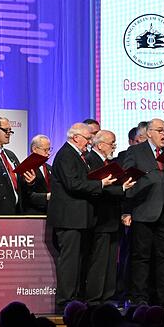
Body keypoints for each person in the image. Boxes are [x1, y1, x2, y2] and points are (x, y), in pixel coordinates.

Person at [47, 123, 117, 311]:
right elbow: (73, 184)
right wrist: (100, 184)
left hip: (79, 219)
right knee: (69, 262)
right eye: (87, 138)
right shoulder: (66, 155)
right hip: (69, 219)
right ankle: (65, 302)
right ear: (75, 137)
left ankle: (74, 299)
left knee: (77, 262)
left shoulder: (77, 155)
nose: (90, 142)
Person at [121, 118, 164, 308]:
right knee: (141, 256)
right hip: (144, 210)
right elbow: (128, 179)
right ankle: (140, 296)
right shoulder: (135, 151)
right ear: (149, 133)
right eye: (160, 130)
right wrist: (127, 210)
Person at [84, 129, 135, 305]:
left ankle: (107, 297)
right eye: (111, 143)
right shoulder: (90, 160)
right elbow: (95, 189)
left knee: (111, 261)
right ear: (100, 145)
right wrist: (122, 188)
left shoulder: (109, 162)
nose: (114, 146)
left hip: (112, 218)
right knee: (99, 261)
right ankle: (95, 299)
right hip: (99, 219)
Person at [24, 134, 53, 215]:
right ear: (34, 149)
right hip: (34, 214)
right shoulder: (26, 168)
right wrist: (47, 196)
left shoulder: (49, 168)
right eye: (45, 150)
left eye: (49, 149)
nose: (48, 153)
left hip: (50, 213)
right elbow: (26, 195)